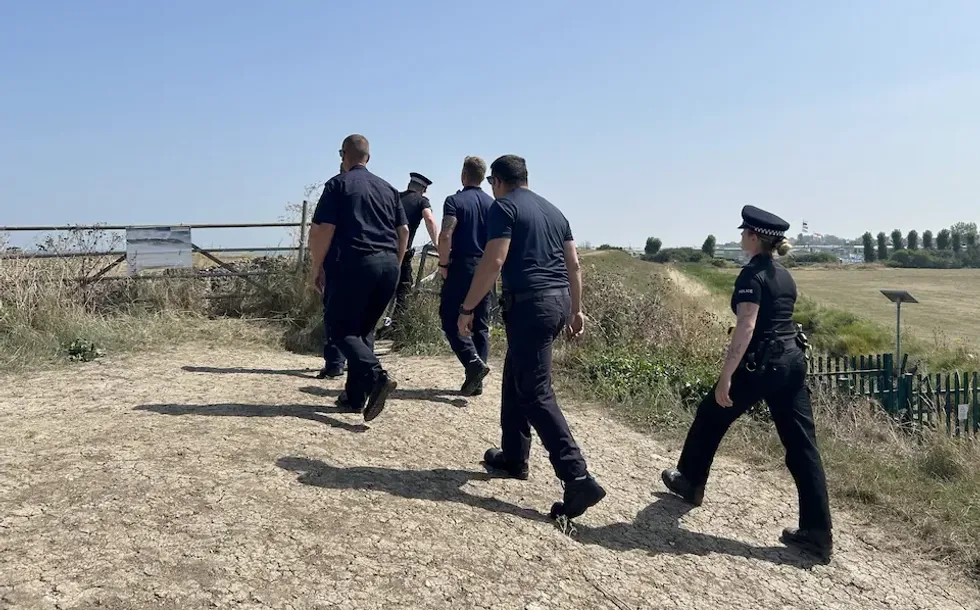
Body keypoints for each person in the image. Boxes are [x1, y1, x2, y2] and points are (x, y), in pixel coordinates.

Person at [661, 204, 834, 562]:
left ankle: (690, 481)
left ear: (754, 238)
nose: (740, 237)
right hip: (792, 361)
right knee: (802, 446)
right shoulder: (785, 275)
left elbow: (747, 326)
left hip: (762, 364)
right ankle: (818, 533)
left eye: (744, 233)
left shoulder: (750, 275)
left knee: (711, 411)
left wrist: (726, 376)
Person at [457, 154, 605, 520]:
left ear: (497, 181)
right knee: (516, 374)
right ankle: (513, 456)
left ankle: (577, 476)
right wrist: (576, 309)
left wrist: (468, 307)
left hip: (531, 306)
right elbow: (574, 263)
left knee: (536, 390)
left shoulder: (503, 208)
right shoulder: (555, 212)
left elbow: (493, 261)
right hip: (558, 302)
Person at [308, 134, 408, 422]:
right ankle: (354, 397)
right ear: (368, 157)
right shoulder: (389, 189)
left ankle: (377, 376)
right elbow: (403, 232)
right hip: (389, 265)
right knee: (363, 332)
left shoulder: (338, 185)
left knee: (340, 330)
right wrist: (395, 263)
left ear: (343, 155)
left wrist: (317, 267)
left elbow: (322, 229)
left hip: (355, 264)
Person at [437, 156, 495, 396]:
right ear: (483, 177)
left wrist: (442, 263)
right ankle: (476, 382)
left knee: (450, 318)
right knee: (481, 325)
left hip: (462, 265)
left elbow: (445, 235)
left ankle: (472, 363)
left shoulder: (455, 201)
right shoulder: (494, 205)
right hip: (488, 266)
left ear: (463, 175)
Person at [387, 172, 439, 330]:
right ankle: (396, 328)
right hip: (403, 252)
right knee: (404, 290)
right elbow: (429, 219)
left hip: (382, 249)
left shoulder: (394, 197)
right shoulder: (422, 201)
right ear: (423, 189)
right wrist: (437, 243)